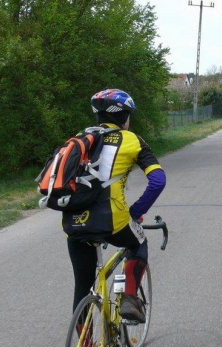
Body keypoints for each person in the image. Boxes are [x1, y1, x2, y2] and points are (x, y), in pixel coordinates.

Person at [63, 89, 166, 323]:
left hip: (73, 221)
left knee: (83, 289)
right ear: (125, 117)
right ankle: (129, 298)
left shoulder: (80, 139)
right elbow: (158, 180)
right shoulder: (132, 140)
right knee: (138, 243)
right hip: (113, 220)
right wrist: (136, 212)